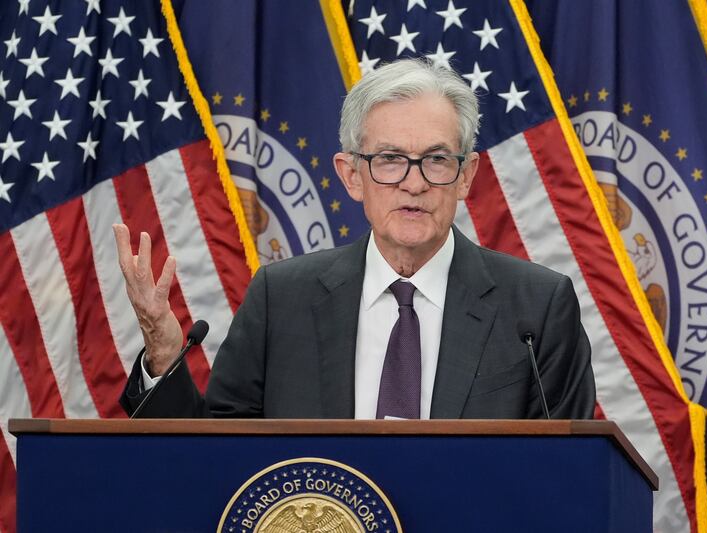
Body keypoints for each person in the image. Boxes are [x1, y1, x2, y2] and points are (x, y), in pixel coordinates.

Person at [116, 58, 595, 419]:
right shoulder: (280, 300)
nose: (414, 182)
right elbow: (212, 460)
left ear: (466, 176)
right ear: (351, 176)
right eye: (389, 159)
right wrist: (162, 352)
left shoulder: (536, 307)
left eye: (436, 159)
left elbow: (565, 473)